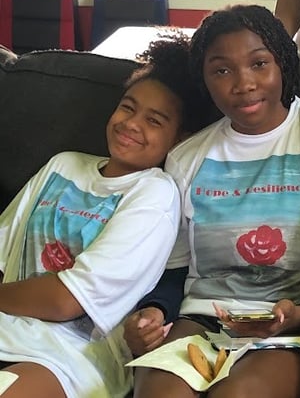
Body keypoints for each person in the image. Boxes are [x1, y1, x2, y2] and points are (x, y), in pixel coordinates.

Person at [125, 4, 300, 398]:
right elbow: (174, 268)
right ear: (204, 80)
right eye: (221, 71)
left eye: (259, 64)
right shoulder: (186, 159)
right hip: (201, 319)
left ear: (283, 63)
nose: (243, 83)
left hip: (291, 328)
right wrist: (155, 312)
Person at [0, 32, 205, 398]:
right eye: (128, 107)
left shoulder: (154, 193)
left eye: (154, 121)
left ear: (178, 139)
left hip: (65, 357)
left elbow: (67, 300)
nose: (132, 124)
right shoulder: (63, 165)